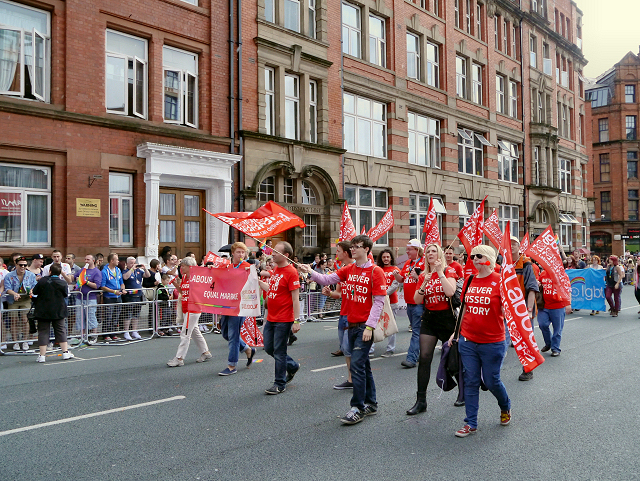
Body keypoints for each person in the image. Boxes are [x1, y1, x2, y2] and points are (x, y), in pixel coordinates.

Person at [302, 235, 385, 424]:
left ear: (367, 250)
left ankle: (358, 407)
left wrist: (370, 327)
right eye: (353, 246)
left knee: (356, 365)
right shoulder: (349, 268)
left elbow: (379, 301)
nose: (353, 249)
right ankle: (371, 403)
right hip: (351, 325)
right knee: (363, 366)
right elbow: (326, 279)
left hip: (365, 326)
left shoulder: (375, 271)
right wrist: (309, 271)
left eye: (357, 246)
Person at [449, 245, 511, 437]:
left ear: (489, 259)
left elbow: (509, 312)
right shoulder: (469, 280)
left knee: (492, 381)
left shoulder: (500, 282)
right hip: (468, 341)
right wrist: (456, 332)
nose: (474, 259)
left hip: (493, 342)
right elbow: (464, 309)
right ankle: (471, 423)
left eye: (479, 255)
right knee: (470, 380)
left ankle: (505, 406)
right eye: (472, 256)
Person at [408, 243, 462, 415]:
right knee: (424, 358)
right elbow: (417, 300)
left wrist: (439, 273)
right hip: (429, 319)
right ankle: (421, 400)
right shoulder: (423, 274)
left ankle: (463, 392)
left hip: (447, 319)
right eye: (428, 251)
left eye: (434, 251)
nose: (430, 253)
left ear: (439, 255)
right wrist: (424, 281)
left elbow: (450, 292)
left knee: (454, 358)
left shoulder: (448, 271)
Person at [257, 241, 301, 394]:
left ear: (286, 255)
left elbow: (295, 298)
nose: (272, 253)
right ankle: (292, 366)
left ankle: (279, 383)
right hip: (272, 317)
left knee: (279, 351)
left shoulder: (291, 272)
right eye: (273, 251)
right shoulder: (276, 270)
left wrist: (296, 320)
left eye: (276, 251)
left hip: (284, 318)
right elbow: (273, 289)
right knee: (269, 348)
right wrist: (257, 282)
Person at [218, 242, 256, 376]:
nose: (241, 254)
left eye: (243, 252)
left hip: (240, 306)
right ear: (232, 253)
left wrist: (252, 272)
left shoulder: (246, 266)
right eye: (238, 252)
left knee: (233, 336)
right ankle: (247, 348)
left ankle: (231, 365)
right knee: (225, 334)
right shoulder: (228, 266)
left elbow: (256, 276)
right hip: (227, 304)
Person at [166, 257, 213, 366]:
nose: (181, 268)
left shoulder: (197, 277)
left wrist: (209, 268)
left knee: (185, 333)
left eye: (183, 266)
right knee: (195, 331)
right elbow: (183, 292)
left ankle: (179, 358)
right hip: (186, 307)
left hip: (194, 308)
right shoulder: (184, 277)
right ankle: (205, 352)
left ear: (190, 266)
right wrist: (175, 284)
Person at [322, 241, 354, 389]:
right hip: (343, 314)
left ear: (346, 253)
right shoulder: (342, 270)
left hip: (354, 316)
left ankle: (355, 379)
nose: (336, 254)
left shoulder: (356, 269)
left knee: (350, 348)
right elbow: (339, 294)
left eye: (339, 251)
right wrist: (330, 293)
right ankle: (351, 379)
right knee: (346, 350)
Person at [509, 236, 540, 382]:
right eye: (509, 244)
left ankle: (528, 369)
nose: (511, 246)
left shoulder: (526, 264)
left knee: (526, 341)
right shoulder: (504, 263)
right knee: (500, 341)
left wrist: (528, 311)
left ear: (519, 246)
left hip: (522, 309)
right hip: (507, 310)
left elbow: (532, 288)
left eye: (514, 243)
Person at [32, 264, 75, 363]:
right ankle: (65, 352)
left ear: (50, 271)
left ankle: (42, 356)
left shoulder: (42, 281)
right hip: (58, 310)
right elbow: (65, 294)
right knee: (61, 330)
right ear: (60, 273)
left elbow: (35, 291)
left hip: (43, 310)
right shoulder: (62, 283)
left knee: (43, 331)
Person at [393, 239, 425, 368]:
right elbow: (402, 279)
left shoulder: (424, 262)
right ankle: (421, 354)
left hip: (419, 303)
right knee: (418, 331)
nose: (407, 252)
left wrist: (418, 278)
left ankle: (411, 358)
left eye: (409, 249)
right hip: (409, 303)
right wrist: (396, 276)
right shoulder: (408, 263)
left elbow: (428, 280)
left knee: (416, 331)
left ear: (417, 250)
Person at [4, 256, 37, 351]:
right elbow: (7, 288)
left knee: (25, 320)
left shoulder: (30, 275)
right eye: (21, 265)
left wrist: (31, 291)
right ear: (16, 265)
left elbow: (35, 286)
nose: (23, 267)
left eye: (25, 265)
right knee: (13, 320)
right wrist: (14, 294)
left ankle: (25, 341)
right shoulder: (9, 275)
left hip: (26, 299)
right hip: (13, 300)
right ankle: (15, 342)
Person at [538, 267, 572, 357]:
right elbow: (539, 284)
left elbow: (568, 289)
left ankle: (555, 348)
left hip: (558, 306)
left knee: (557, 329)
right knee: (542, 324)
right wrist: (538, 284)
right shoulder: (543, 273)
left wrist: (568, 304)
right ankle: (549, 343)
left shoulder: (563, 275)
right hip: (544, 305)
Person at [122, 257, 151, 340]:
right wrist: (131, 269)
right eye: (131, 263)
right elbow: (125, 277)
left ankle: (134, 331)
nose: (133, 264)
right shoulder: (125, 271)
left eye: (134, 263)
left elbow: (147, 275)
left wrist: (145, 269)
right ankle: (126, 331)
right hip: (129, 296)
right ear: (127, 263)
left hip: (138, 295)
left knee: (136, 314)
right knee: (128, 314)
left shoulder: (139, 271)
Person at [377, 248, 399, 357]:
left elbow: (395, 285)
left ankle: (390, 349)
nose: (386, 259)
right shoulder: (377, 269)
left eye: (387, 257)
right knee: (374, 324)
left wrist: (383, 294)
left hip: (392, 302)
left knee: (391, 326)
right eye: (384, 257)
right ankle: (370, 349)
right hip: (377, 302)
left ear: (391, 258)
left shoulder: (395, 269)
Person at [100, 253, 125, 341]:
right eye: (117, 259)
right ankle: (106, 334)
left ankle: (113, 333)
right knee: (108, 316)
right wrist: (114, 291)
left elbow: (121, 282)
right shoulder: (104, 271)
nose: (118, 261)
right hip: (109, 297)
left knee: (116, 316)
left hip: (118, 297)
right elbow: (102, 286)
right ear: (112, 261)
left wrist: (123, 289)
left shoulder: (118, 270)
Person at [78, 254, 103, 343]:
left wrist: (86, 282)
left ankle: (94, 335)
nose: (86, 261)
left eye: (88, 259)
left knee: (91, 316)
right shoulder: (82, 270)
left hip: (91, 298)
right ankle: (82, 336)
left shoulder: (96, 272)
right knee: (80, 317)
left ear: (93, 261)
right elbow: (74, 278)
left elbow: (97, 286)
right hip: (80, 297)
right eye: (85, 259)